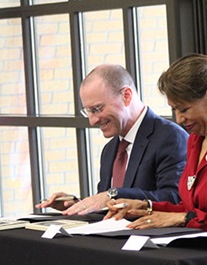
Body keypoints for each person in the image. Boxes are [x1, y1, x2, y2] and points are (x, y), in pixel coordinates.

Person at [106, 54, 207, 231]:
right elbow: (191, 209)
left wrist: (185, 218)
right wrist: (146, 207)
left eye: (184, 109)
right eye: (174, 109)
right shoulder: (195, 140)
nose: (179, 119)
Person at [36, 64, 188, 214]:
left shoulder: (171, 137)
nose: (92, 121)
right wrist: (80, 205)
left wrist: (114, 194)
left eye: (97, 109)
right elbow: (107, 203)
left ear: (126, 96)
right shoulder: (109, 150)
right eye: (88, 111)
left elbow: (174, 198)